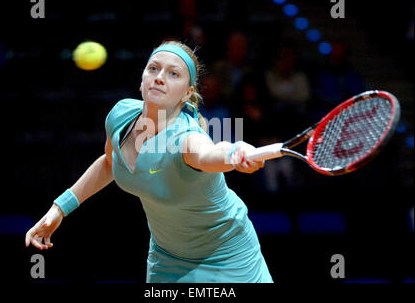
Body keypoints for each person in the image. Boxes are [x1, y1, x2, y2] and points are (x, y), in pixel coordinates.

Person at [25, 40, 273, 283]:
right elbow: (110, 163)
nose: (159, 77)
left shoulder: (186, 138)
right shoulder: (120, 115)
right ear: (142, 78)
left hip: (228, 256)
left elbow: (210, 154)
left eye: (173, 73)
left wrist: (234, 151)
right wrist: (59, 209)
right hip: (166, 258)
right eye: (153, 68)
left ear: (187, 93)